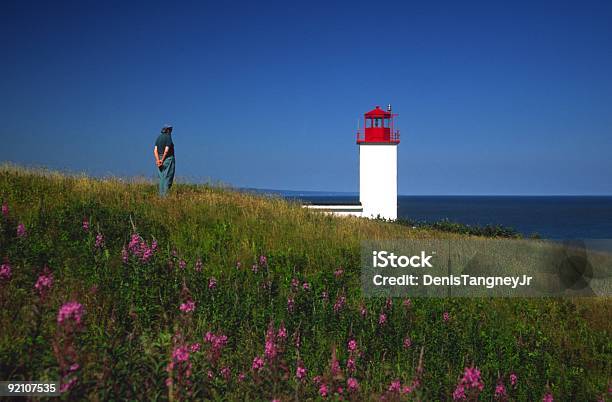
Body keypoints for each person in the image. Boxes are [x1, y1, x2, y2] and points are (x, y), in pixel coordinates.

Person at [154, 124, 175, 196]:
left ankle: (161, 195)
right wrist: (162, 160)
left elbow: (155, 150)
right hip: (167, 158)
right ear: (168, 130)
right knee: (168, 176)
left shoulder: (158, 137)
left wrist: (158, 160)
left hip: (159, 158)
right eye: (171, 130)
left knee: (161, 177)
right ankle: (165, 196)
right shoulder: (168, 137)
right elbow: (166, 150)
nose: (171, 131)